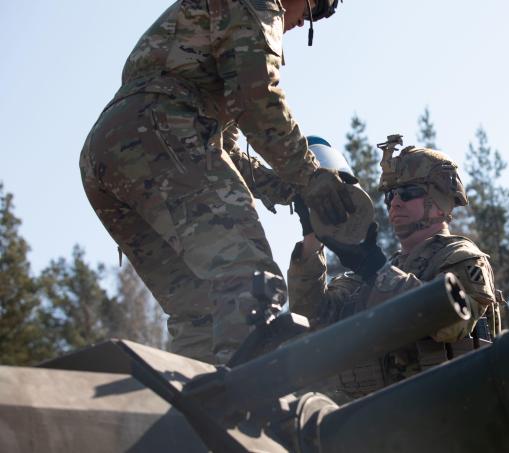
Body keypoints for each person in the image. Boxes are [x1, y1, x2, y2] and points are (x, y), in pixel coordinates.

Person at [79, 0, 356, 364]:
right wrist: (309, 174)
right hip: (161, 128)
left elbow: (223, 149)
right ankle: (243, 407)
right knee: (247, 274)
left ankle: (197, 411)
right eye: (308, 13)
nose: (299, 24)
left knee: (199, 307)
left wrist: (285, 186)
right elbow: (255, 96)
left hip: (115, 150)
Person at [288, 136, 504, 400]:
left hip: (450, 415)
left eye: (409, 193)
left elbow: (452, 325)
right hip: (383, 427)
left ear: (441, 203)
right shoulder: (372, 272)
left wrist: (376, 270)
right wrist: (312, 236)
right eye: (390, 195)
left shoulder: (461, 258)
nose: (395, 202)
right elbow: (313, 319)